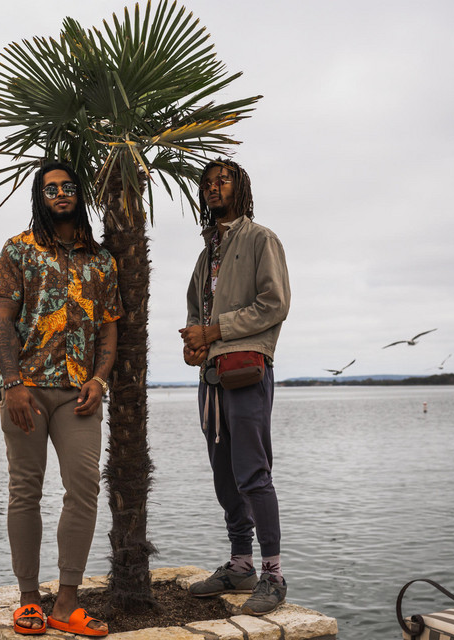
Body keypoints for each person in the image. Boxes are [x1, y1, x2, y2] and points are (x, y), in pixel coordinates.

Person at [0, 161, 123, 637]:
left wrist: (100, 379)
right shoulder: (18, 249)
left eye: (68, 187)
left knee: (83, 489)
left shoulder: (101, 261)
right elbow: (2, 319)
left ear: (79, 194)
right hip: (26, 390)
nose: (61, 194)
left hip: (78, 394)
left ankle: (66, 603)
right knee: (26, 491)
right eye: (51, 189)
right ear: (40, 198)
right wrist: (12, 383)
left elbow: (109, 327)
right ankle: (28, 599)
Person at [179, 158, 291, 616]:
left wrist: (215, 330)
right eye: (207, 183)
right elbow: (195, 311)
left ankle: (273, 575)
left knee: (253, 473)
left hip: (247, 373)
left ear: (240, 188)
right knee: (224, 474)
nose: (213, 187)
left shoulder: (261, 239)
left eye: (222, 180)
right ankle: (240, 564)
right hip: (211, 379)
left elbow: (274, 303)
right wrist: (194, 342)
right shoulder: (207, 253)